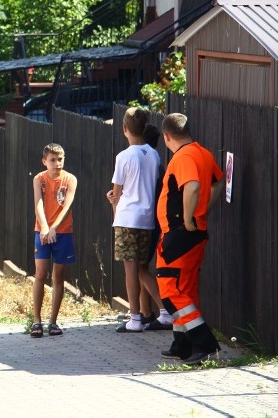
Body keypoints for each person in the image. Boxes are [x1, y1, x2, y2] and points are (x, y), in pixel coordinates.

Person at [156, 113, 225, 364]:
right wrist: (203, 209)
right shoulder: (202, 153)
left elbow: (193, 186)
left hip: (180, 233)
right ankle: (182, 345)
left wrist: (187, 218)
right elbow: (218, 182)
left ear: (166, 137)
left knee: (170, 290)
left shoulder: (183, 156)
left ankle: (205, 344)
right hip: (192, 234)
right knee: (184, 289)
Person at [107, 108, 172, 332]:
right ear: (144, 129)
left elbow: (116, 192)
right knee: (143, 268)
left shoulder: (123, 156)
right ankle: (165, 312)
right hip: (147, 218)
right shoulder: (153, 155)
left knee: (130, 271)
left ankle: (135, 319)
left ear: (125, 129)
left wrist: (113, 200)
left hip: (127, 217)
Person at [31, 143, 77, 338]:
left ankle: (53, 321)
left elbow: (67, 205)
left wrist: (54, 228)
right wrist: (44, 226)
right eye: (52, 160)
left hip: (63, 232)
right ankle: (36, 321)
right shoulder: (39, 179)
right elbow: (38, 203)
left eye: (60, 159)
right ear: (44, 161)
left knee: (58, 276)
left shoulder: (70, 179)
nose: (57, 163)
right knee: (40, 273)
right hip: (42, 231)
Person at [139, 123, 173, 330]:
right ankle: (146, 312)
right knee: (142, 266)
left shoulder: (147, 162)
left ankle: (165, 310)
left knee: (139, 268)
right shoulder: (156, 161)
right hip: (156, 221)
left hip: (148, 220)